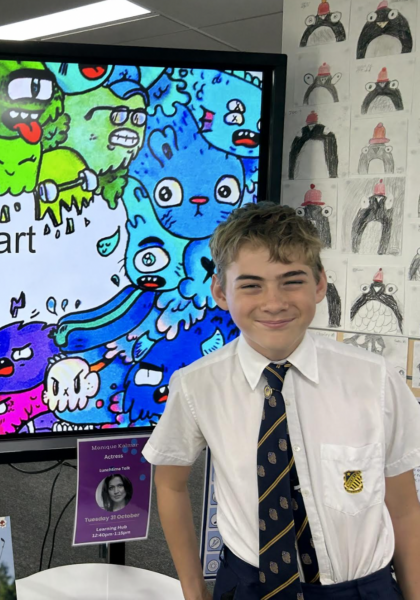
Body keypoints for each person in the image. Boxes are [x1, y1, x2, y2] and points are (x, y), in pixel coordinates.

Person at [142, 203, 420, 600]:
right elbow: (170, 484)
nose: (273, 303)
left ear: (320, 285)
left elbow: (404, 508)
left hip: (361, 588)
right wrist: (193, 589)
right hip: (250, 585)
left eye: (292, 281)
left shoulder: (375, 380)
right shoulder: (196, 385)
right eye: (251, 285)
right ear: (220, 292)